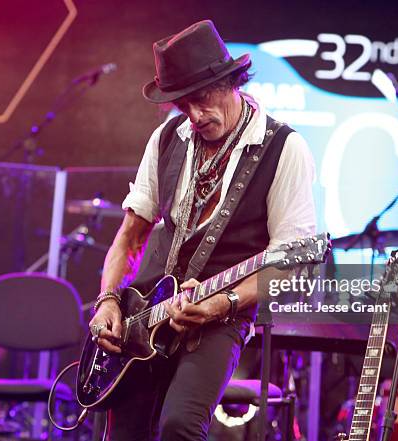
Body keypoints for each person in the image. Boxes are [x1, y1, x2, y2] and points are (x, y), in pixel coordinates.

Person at [89, 19, 316, 440]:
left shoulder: (285, 148)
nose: (194, 114)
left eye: (202, 98)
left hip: (221, 316)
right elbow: (130, 236)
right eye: (182, 103)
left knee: (179, 425)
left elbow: (290, 263)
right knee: (124, 430)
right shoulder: (166, 138)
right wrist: (107, 301)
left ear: (231, 81)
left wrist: (224, 302)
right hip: (146, 310)